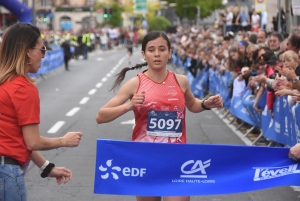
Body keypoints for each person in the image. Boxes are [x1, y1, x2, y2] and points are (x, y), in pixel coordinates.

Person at [95, 31, 223, 201]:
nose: (156, 54)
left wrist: (206, 104)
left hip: (176, 158)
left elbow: (191, 104)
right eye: (151, 50)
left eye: (162, 49)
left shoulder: (181, 81)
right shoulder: (135, 84)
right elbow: (100, 116)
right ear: (143, 54)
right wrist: (129, 106)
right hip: (145, 159)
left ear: (170, 53)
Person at [0, 23, 83, 201]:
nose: (44, 56)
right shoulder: (23, 88)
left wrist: (46, 167)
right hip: (6, 175)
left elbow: (16, 138)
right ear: (28, 52)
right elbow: (32, 142)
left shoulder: (3, 84)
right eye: (42, 49)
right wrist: (64, 140)